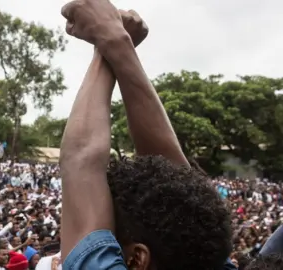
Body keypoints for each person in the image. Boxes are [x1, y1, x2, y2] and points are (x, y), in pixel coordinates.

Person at [59, 0, 234, 269]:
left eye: (110, 232)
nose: (102, 231)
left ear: (136, 259)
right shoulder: (205, 258)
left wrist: (111, 41)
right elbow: (177, 186)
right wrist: (116, 43)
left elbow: (81, 161)